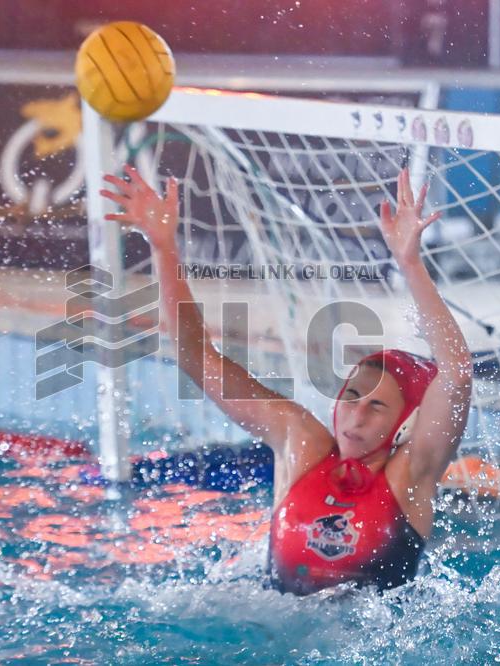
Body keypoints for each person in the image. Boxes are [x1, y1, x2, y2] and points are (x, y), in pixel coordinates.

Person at [101, 166, 473, 595]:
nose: (355, 414)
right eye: (351, 396)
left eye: (377, 407)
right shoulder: (302, 444)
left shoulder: (411, 474)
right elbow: (196, 359)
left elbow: (458, 375)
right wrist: (163, 248)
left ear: (405, 423)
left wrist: (410, 264)